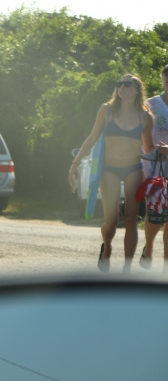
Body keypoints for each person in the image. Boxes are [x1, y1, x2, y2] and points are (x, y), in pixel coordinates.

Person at [69, 74, 162, 272]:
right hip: (109, 169)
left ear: (137, 90)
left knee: (131, 218)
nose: (122, 88)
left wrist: (163, 150)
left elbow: (148, 148)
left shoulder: (145, 117)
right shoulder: (107, 110)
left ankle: (127, 269)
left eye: (128, 85)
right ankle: (107, 247)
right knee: (110, 222)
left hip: (133, 169)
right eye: (119, 84)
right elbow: (92, 137)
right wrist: (75, 163)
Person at [140, 65, 168, 268]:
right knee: (155, 213)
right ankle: (148, 247)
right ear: (162, 80)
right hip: (154, 164)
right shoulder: (151, 104)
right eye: (166, 77)